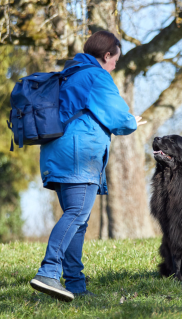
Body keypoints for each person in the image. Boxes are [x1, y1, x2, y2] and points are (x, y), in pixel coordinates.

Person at [29, 31, 146, 302]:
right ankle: (48, 272)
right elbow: (118, 117)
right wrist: (132, 122)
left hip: (55, 156)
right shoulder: (96, 76)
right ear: (107, 56)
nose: (115, 65)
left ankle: (75, 285)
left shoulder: (69, 73)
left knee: (78, 221)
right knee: (76, 214)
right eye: (115, 60)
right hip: (78, 157)